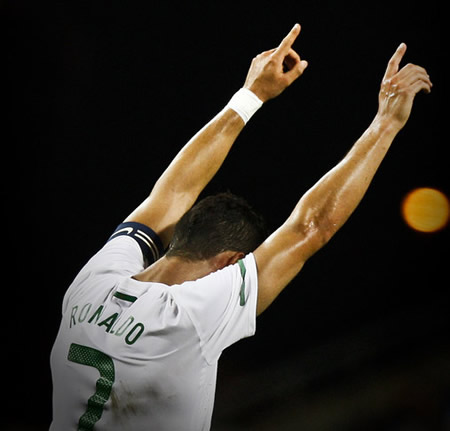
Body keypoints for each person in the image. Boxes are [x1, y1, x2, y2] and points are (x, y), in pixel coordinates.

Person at [50, 23, 432, 431]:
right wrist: (385, 125)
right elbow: (309, 228)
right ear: (230, 261)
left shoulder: (90, 283)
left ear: (176, 239)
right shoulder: (191, 318)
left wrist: (251, 95)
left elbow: (173, 195)